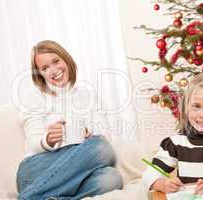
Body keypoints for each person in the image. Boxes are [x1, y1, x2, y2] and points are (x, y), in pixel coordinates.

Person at [16, 40, 123, 200]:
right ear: (39, 75)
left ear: (66, 59)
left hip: (77, 171)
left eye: (56, 61)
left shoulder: (88, 95)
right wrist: (47, 140)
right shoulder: (35, 97)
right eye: (45, 68)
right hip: (36, 170)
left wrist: (87, 132)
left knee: (112, 178)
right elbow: (33, 142)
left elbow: (104, 135)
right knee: (100, 147)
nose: (53, 70)